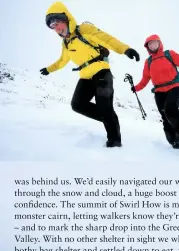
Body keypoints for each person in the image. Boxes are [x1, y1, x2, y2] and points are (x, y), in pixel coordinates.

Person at [41, 3, 140, 147]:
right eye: (52, 27)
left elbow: (107, 39)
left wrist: (125, 49)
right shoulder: (66, 44)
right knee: (77, 104)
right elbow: (62, 61)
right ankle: (109, 118)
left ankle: (115, 141)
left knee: (105, 108)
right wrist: (49, 69)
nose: (56, 29)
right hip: (85, 77)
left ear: (66, 18)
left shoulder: (84, 30)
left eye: (57, 23)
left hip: (102, 72)